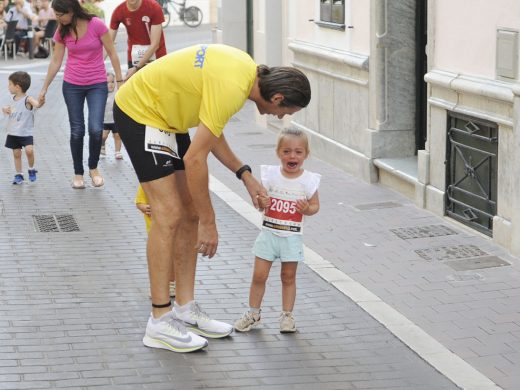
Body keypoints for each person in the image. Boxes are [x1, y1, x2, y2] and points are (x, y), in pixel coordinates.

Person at [113, 43, 311, 353]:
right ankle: (159, 319)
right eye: (286, 111)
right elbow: (195, 159)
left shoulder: (244, 73)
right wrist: (210, 223)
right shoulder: (234, 86)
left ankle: (184, 306)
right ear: (277, 98)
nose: (282, 116)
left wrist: (244, 174)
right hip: (140, 112)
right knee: (169, 214)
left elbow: (212, 129)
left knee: (188, 213)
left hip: (167, 117)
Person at [234, 128, 321, 333]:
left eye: (298, 152)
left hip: (291, 237)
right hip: (268, 235)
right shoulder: (270, 175)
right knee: (259, 276)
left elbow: (315, 206)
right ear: (278, 152)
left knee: (288, 276)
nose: (292, 156)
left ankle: (287, 316)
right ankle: (253, 313)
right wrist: (262, 201)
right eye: (287, 151)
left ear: (306, 155)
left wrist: (307, 209)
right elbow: (260, 203)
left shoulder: (309, 180)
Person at [38, 0, 123, 189]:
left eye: (60, 15)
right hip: (72, 85)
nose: (58, 19)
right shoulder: (62, 31)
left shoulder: (96, 25)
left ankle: (93, 167)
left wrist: (120, 81)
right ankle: (78, 172)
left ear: (71, 10)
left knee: (95, 129)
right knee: (77, 131)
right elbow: (55, 61)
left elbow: (113, 53)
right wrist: (44, 88)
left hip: (97, 84)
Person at [135, 184, 176, 298]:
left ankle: (171, 284)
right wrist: (145, 207)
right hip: (154, 230)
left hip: (173, 228)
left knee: (172, 258)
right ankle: (157, 286)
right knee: (158, 258)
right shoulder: (146, 183)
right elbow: (139, 202)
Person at [109, 0, 166, 79]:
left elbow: (155, 44)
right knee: (136, 90)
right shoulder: (119, 11)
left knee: (156, 89)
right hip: (134, 58)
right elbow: (107, 43)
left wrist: (137, 67)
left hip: (157, 57)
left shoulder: (154, 7)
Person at [2, 71, 42, 184]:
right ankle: (19, 174)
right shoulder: (12, 98)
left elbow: (37, 104)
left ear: (17, 87)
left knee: (29, 151)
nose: (8, 86)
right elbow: (8, 108)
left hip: (26, 133)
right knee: (16, 154)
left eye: (10, 84)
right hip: (13, 132)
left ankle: (31, 169)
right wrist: (4, 109)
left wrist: (40, 102)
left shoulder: (27, 99)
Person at [100, 71, 123, 159]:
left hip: (115, 120)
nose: (110, 85)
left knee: (117, 136)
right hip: (104, 120)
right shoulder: (101, 94)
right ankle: (102, 147)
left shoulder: (117, 91)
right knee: (103, 135)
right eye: (107, 82)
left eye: (112, 82)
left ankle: (117, 151)